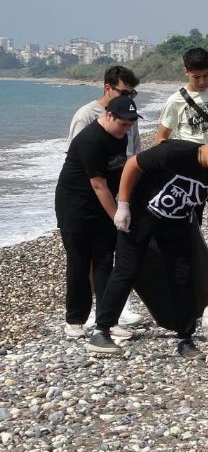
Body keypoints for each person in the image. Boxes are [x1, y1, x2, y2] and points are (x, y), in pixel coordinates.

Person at [86, 128, 208, 357]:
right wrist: (122, 205)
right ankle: (101, 331)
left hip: (177, 225)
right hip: (141, 217)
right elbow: (133, 164)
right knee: (126, 271)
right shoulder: (174, 152)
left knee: (182, 277)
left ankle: (185, 339)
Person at [65, 65, 144, 328]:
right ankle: (80, 316)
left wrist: (126, 200)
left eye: (133, 93)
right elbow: (85, 169)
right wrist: (116, 214)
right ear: (107, 88)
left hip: (111, 193)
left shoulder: (128, 120)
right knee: (82, 259)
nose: (129, 98)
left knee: (106, 257)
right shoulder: (86, 118)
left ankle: (109, 314)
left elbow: (131, 159)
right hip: (83, 197)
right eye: (124, 92)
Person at [155, 47, 208, 144]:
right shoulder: (175, 101)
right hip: (191, 157)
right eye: (196, 77)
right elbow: (161, 138)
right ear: (186, 72)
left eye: (206, 75)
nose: (202, 82)